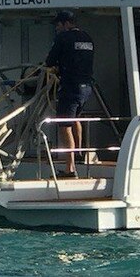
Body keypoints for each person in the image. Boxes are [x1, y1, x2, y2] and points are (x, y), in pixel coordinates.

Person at [45, 10, 94, 178]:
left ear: (66, 23)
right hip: (86, 87)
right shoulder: (87, 37)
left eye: (58, 25)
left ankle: (70, 168)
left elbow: (50, 61)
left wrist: (55, 68)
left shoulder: (63, 38)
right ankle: (79, 156)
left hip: (70, 86)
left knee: (64, 125)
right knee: (76, 119)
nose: (57, 28)